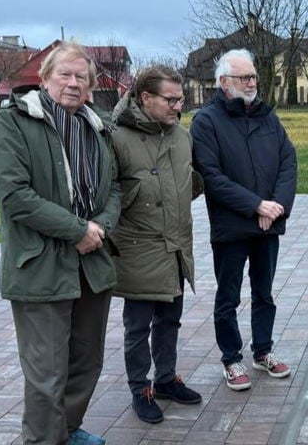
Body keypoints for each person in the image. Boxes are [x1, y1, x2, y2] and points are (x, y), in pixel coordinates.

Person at [0, 41, 120, 445]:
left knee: (86, 361)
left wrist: (98, 229)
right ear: (44, 78)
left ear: (92, 85)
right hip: (39, 266)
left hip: (91, 264)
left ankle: (66, 430)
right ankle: (44, 440)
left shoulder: (98, 127)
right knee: (46, 373)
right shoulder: (13, 122)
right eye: (65, 74)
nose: (73, 83)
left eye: (82, 77)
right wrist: (77, 230)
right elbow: (14, 196)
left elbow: (114, 189)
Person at [190, 48, 297, 391]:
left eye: (253, 77)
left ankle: (262, 351)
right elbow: (211, 175)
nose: (252, 83)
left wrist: (276, 206)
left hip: (268, 225)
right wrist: (256, 206)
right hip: (232, 227)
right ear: (223, 82)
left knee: (264, 293)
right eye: (244, 77)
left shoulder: (268, 117)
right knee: (229, 296)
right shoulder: (206, 122)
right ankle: (231, 359)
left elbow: (288, 162)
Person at [110, 65, 203, 423]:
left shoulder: (181, 136)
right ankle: (140, 389)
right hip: (138, 249)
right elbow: (110, 192)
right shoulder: (116, 137)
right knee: (137, 327)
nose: (178, 106)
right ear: (145, 98)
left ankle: (166, 379)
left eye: (181, 99)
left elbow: (190, 183)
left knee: (170, 320)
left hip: (175, 247)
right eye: (171, 99)